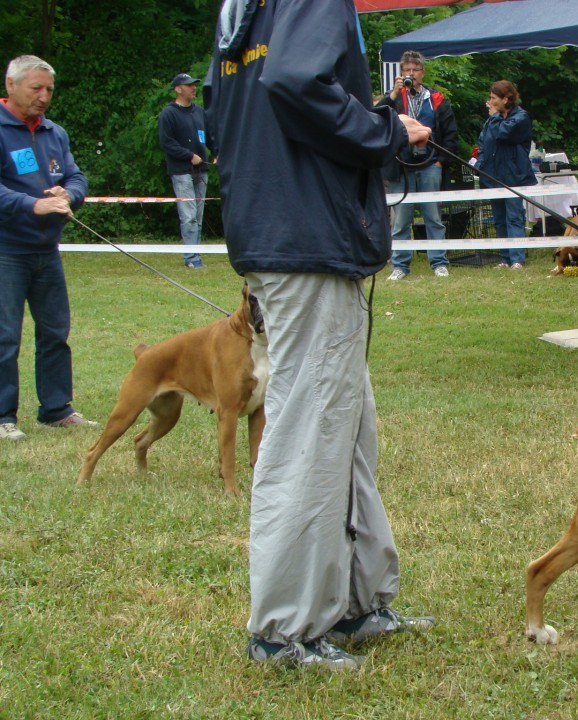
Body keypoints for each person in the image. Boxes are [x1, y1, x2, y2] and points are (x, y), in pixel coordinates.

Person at [205, 0, 435, 669]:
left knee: (346, 426)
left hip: (275, 231)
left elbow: (232, 111)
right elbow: (295, 85)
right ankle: (283, 629)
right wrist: (387, 133)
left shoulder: (241, 11)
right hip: (306, 239)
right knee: (312, 431)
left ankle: (359, 602)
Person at [0, 55, 99, 442]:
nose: (44, 97)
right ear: (11, 86)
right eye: (36, 88)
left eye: (49, 90)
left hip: (47, 250)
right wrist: (32, 204)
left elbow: (76, 175)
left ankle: (56, 409)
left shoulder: (54, 132)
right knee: (5, 336)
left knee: (56, 331)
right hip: (7, 249)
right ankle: (3, 416)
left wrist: (67, 194)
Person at [377, 51, 458, 280]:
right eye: (407, 70)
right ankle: (400, 266)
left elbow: (451, 134)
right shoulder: (394, 98)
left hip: (431, 164)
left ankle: (439, 262)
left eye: (415, 70)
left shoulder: (436, 99)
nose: (411, 74)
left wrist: (442, 162)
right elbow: (376, 117)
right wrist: (392, 94)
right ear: (401, 73)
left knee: (433, 217)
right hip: (401, 165)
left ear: (422, 72)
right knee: (401, 219)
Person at [475, 80, 536, 269]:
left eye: (494, 98)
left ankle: (517, 259)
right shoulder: (492, 119)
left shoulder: (521, 117)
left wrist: (494, 118)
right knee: (499, 219)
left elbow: (504, 133)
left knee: (514, 217)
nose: (490, 102)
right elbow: (484, 142)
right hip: (493, 175)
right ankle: (504, 258)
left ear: (506, 98)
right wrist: (480, 165)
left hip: (513, 176)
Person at [158, 73, 212, 269]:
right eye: (188, 85)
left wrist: (216, 153)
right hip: (181, 171)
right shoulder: (169, 114)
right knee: (188, 215)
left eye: (194, 85)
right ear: (178, 89)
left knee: (198, 216)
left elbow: (209, 136)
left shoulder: (199, 112)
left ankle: (196, 254)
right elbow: (167, 143)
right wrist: (189, 156)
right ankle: (191, 257)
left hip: (202, 170)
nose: (193, 88)